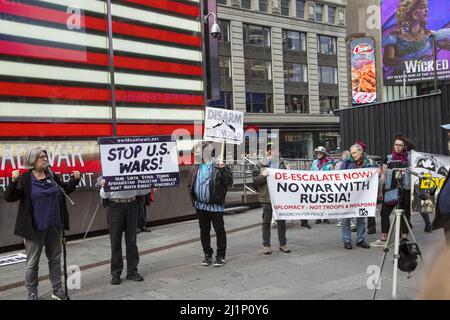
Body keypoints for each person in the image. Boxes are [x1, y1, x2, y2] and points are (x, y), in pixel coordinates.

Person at [4, 147, 80, 300]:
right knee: (32, 262)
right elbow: (9, 197)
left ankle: (57, 289)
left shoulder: (51, 175)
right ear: (32, 161)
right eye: (41, 157)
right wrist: (13, 181)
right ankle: (32, 292)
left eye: (45, 156)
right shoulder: (25, 179)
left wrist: (75, 180)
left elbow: (64, 190)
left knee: (55, 258)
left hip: (54, 225)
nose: (45, 159)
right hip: (34, 228)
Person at [188, 141, 233, 267]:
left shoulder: (218, 164)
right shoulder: (196, 166)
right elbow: (190, 182)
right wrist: (193, 197)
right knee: (204, 230)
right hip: (200, 205)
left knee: (219, 230)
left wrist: (223, 170)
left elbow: (229, 181)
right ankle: (207, 254)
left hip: (215, 205)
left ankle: (220, 256)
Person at [100, 180, 151, 285]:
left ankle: (132, 271)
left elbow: (140, 190)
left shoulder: (133, 171)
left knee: (132, 241)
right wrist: (104, 186)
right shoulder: (109, 172)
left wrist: (150, 186)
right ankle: (116, 274)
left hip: (132, 204)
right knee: (115, 241)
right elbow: (103, 194)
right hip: (115, 205)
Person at [383, 0, 450, 77]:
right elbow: (387, 60)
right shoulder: (394, 37)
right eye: (422, 7)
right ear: (413, 13)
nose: (427, 10)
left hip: (425, 79)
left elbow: (446, 44)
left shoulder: (430, 35)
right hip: (401, 82)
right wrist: (415, 62)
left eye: (426, 7)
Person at [371, 134, 412, 247]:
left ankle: (404, 238)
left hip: (405, 190)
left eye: (400, 145)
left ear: (404, 147)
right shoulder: (388, 158)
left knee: (405, 213)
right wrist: (380, 191)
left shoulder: (410, 159)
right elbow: (383, 175)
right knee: (384, 212)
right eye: (396, 144)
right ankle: (384, 237)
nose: (397, 147)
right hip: (390, 189)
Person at [253, 143, 290, 255]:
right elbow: (255, 181)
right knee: (266, 222)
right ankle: (266, 245)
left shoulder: (281, 163)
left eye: (273, 149)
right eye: (269, 150)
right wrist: (263, 176)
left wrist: (288, 172)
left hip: (279, 197)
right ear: (266, 151)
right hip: (266, 197)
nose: (271, 152)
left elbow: (287, 180)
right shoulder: (259, 165)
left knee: (281, 222)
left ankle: (283, 244)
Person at [339, 143, 377, 249]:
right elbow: (340, 176)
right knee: (345, 218)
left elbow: (378, 173)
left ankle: (360, 239)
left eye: (355, 153)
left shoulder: (369, 162)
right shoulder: (347, 162)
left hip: (362, 195)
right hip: (348, 194)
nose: (353, 155)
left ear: (361, 151)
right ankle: (346, 240)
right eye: (352, 153)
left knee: (361, 218)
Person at [311, 146, 334, 224]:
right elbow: (310, 172)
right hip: (316, 184)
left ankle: (325, 217)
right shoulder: (314, 162)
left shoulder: (329, 163)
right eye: (318, 153)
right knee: (317, 200)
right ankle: (318, 217)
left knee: (325, 200)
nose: (319, 154)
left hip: (326, 184)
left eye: (320, 153)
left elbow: (332, 173)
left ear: (324, 154)